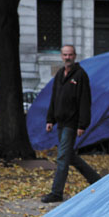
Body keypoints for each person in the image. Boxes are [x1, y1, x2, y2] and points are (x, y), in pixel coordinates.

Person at [41, 44, 100, 203]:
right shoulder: (60, 74)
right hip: (60, 122)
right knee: (69, 156)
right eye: (65, 55)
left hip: (72, 123)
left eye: (70, 55)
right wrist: (50, 119)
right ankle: (96, 179)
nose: (67, 58)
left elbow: (84, 101)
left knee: (62, 157)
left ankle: (56, 192)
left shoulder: (81, 75)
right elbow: (54, 98)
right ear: (61, 56)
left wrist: (82, 124)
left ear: (75, 56)